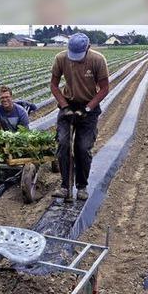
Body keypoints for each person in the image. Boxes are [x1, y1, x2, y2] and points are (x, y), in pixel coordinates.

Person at [50, 33, 109, 201]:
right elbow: (53, 85)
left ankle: (82, 187)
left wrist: (87, 109)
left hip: (89, 106)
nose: (74, 60)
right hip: (68, 104)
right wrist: (65, 106)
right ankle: (64, 186)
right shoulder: (61, 58)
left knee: (82, 148)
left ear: (88, 48)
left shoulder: (97, 60)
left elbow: (104, 88)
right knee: (63, 145)